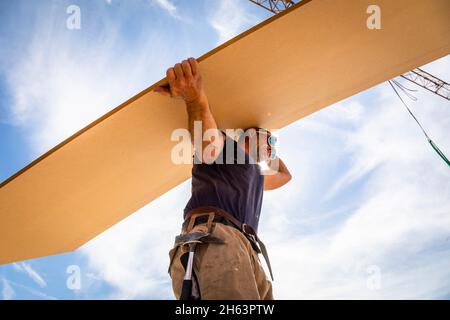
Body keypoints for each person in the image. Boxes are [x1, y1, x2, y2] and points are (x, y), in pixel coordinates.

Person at [154, 57, 292, 300]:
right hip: (217, 238)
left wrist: (271, 150)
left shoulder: (256, 177)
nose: (271, 146)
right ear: (249, 135)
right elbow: (206, 140)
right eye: (268, 139)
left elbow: (285, 176)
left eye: (273, 143)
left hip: (248, 250)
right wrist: (195, 98)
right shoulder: (230, 150)